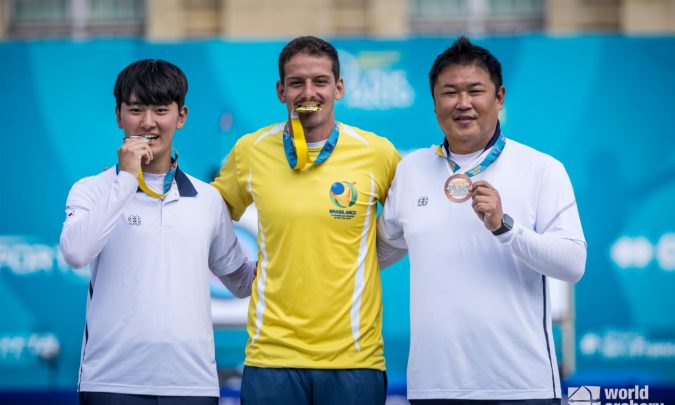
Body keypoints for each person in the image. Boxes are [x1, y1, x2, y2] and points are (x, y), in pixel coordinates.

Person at [377, 36, 586, 404]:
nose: (463, 103)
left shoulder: (542, 169)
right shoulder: (410, 170)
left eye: (475, 90)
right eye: (449, 92)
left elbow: (572, 264)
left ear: (499, 97)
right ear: (434, 102)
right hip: (435, 386)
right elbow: (378, 251)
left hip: (523, 386)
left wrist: (506, 227)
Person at [211, 36, 400, 405]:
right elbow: (209, 215)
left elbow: (412, 222)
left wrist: (363, 260)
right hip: (271, 357)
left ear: (339, 87)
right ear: (281, 90)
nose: (308, 91)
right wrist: (236, 275)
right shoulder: (251, 150)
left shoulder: (376, 153)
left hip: (355, 359)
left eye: (320, 81)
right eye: (296, 82)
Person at [60, 59, 255, 405]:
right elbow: (75, 253)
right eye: (136, 109)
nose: (148, 123)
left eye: (161, 110)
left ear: (181, 116)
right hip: (111, 382)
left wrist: (291, 247)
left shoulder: (208, 199)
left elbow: (241, 282)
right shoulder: (91, 190)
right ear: (119, 115)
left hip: (191, 384)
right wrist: (124, 180)